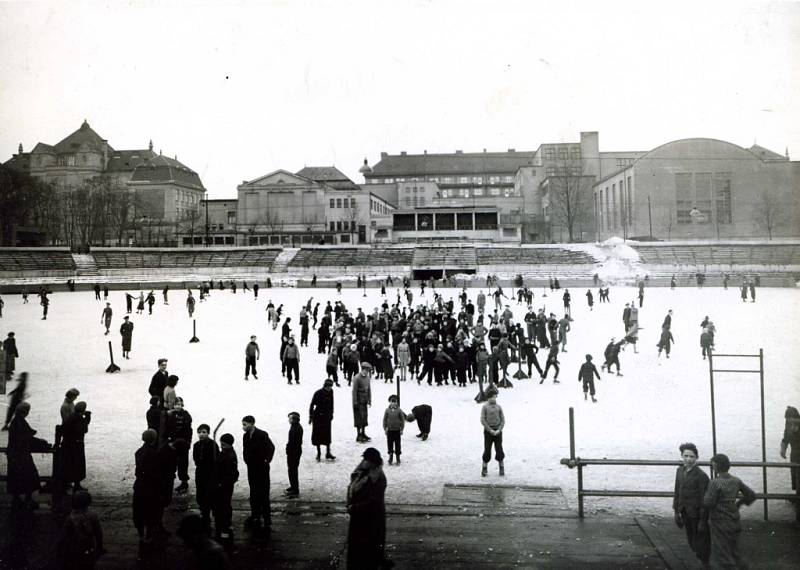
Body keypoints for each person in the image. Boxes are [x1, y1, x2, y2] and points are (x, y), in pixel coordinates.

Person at [703, 453, 756, 569]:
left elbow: (708, 503)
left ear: (715, 466)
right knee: (735, 549)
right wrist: (739, 503)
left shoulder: (715, 482)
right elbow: (751, 495)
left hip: (719, 521)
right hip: (733, 518)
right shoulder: (736, 481)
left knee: (722, 552)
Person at [346, 447, 388, 570]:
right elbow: (351, 488)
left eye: (367, 460)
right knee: (357, 551)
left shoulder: (378, 478)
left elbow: (373, 500)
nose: (364, 461)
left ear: (373, 462)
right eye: (364, 459)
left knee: (367, 553)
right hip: (359, 519)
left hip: (371, 520)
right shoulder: (360, 472)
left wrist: (354, 507)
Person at [672, 443, 710, 567]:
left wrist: (703, 520)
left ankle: (704, 562)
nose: (688, 459)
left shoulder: (701, 476)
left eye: (692, 456)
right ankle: (700, 558)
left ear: (697, 458)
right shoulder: (679, 471)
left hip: (697, 513)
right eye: (686, 456)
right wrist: (676, 512)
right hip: (684, 511)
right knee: (691, 539)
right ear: (682, 456)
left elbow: (705, 499)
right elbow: (677, 491)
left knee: (701, 539)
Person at [7, 401, 50, 509]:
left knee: (16, 478)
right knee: (30, 477)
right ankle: (28, 500)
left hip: (14, 454)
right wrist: (42, 443)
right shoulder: (19, 422)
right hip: (21, 455)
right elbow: (27, 438)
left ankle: (18, 501)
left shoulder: (16, 421)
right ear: (25, 411)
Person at [242, 415, 275, 530]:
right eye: (243, 424)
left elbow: (271, 447)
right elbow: (245, 450)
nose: (243, 427)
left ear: (252, 424)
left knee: (264, 493)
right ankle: (255, 515)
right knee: (254, 492)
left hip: (262, 468)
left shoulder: (262, 434)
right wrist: (247, 460)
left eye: (245, 424)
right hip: (252, 468)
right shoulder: (245, 436)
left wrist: (266, 460)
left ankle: (266, 518)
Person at [57, 490, 105, 569]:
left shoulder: (70, 518)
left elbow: (64, 535)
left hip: (74, 547)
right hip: (89, 545)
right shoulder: (92, 516)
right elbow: (98, 533)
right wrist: (100, 546)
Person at [133, 429, 161, 549]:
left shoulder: (138, 452)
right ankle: (149, 537)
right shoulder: (154, 454)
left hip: (139, 486)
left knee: (139, 512)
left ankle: (141, 536)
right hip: (150, 487)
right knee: (150, 512)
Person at [60, 401, 91, 492]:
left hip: (68, 444)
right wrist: (88, 417)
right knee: (77, 465)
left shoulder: (72, 416)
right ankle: (76, 485)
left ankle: (66, 484)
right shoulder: (78, 418)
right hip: (76, 445)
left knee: (69, 465)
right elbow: (84, 429)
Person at [192, 423, 219, 527]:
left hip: (210, 473)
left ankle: (208, 515)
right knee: (200, 494)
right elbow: (195, 458)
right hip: (200, 473)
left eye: (204, 432)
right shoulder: (196, 445)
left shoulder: (213, 445)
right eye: (199, 432)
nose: (201, 434)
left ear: (208, 433)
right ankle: (203, 512)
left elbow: (216, 460)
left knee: (209, 495)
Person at [214, 433, 239, 540]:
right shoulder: (224, 452)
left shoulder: (231, 456)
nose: (221, 446)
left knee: (225, 506)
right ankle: (222, 525)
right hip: (220, 484)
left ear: (229, 445)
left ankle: (225, 528)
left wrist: (222, 483)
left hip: (225, 486)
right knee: (220, 505)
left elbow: (232, 474)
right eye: (221, 444)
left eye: (223, 444)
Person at [168, 397, 193, 493]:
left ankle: (184, 482)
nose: (178, 406)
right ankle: (170, 482)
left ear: (182, 405)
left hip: (183, 444)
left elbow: (189, 431)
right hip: (173, 444)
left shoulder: (186, 415)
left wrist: (188, 442)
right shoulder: (170, 415)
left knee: (183, 464)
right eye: (176, 404)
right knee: (172, 463)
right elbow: (168, 429)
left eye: (179, 404)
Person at [780, 406, 800, 519]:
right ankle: (798, 495)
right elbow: (785, 438)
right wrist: (783, 449)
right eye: (787, 419)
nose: (789, 421)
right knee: (796, 476)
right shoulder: (788, 425)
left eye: (791, 418)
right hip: (795, 454)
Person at [309, 379, 336, 461]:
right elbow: (312, 405)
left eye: (330, 386)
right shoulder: (318, 393)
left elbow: (332, 403)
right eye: (328, 386)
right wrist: (311, 416)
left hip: (327, 417)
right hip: (318, 417)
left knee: (327, 435)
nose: (329, 388)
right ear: (325, 386)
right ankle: (319, 453)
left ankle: (328, 452)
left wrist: (331, 413)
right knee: (318, 436)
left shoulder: (331, 392)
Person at [480, 386, 505, 477]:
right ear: (489, 397)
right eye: (492, 396)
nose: (494, 398)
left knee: (499, 449)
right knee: (487, 449)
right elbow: (483, 419)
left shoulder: (499, 407)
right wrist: (489, 430)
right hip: (488, 432)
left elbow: (502, 419)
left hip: (498, 432)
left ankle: (501, 465)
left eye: (495, 396)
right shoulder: (485, 407)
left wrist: (499, 429)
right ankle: (484, 466)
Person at [352, 362, 373, 443]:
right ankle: (359, 435)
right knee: (359, 418)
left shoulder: (367, 378)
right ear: (363, 369)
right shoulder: (357, 378)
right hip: (358, 401)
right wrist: (355, 402)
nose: (367, 372)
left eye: (368, 370)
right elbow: (354, 391)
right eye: (367, 370)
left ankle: (363, 433)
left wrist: (369, 400)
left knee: (364, 417)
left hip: (364, 401)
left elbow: (369, 390)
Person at [383, 395, 406, 465]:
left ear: (396, 402)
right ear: (390, 402)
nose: (393, 403)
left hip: (397, 431)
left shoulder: (399, 410)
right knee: (390, 444)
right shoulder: (387, 410)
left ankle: (398, 457)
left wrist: (401, 429)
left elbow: (402, 420)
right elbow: (384, 420)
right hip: (389, 430)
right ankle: (390, 456)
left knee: (397, 444)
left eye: (394, 402)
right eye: (392, 402)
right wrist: (385, 428)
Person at [285, 411, 303, 498]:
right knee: (292, 470)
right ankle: (293, 486)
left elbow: (294, 442)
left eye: (290, 418)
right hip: (294, 452)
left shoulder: (296, 428)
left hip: (294, 453)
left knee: (293, 470)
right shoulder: (295, 427)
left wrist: (289, 450)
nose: (289, 420)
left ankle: (295, 489)